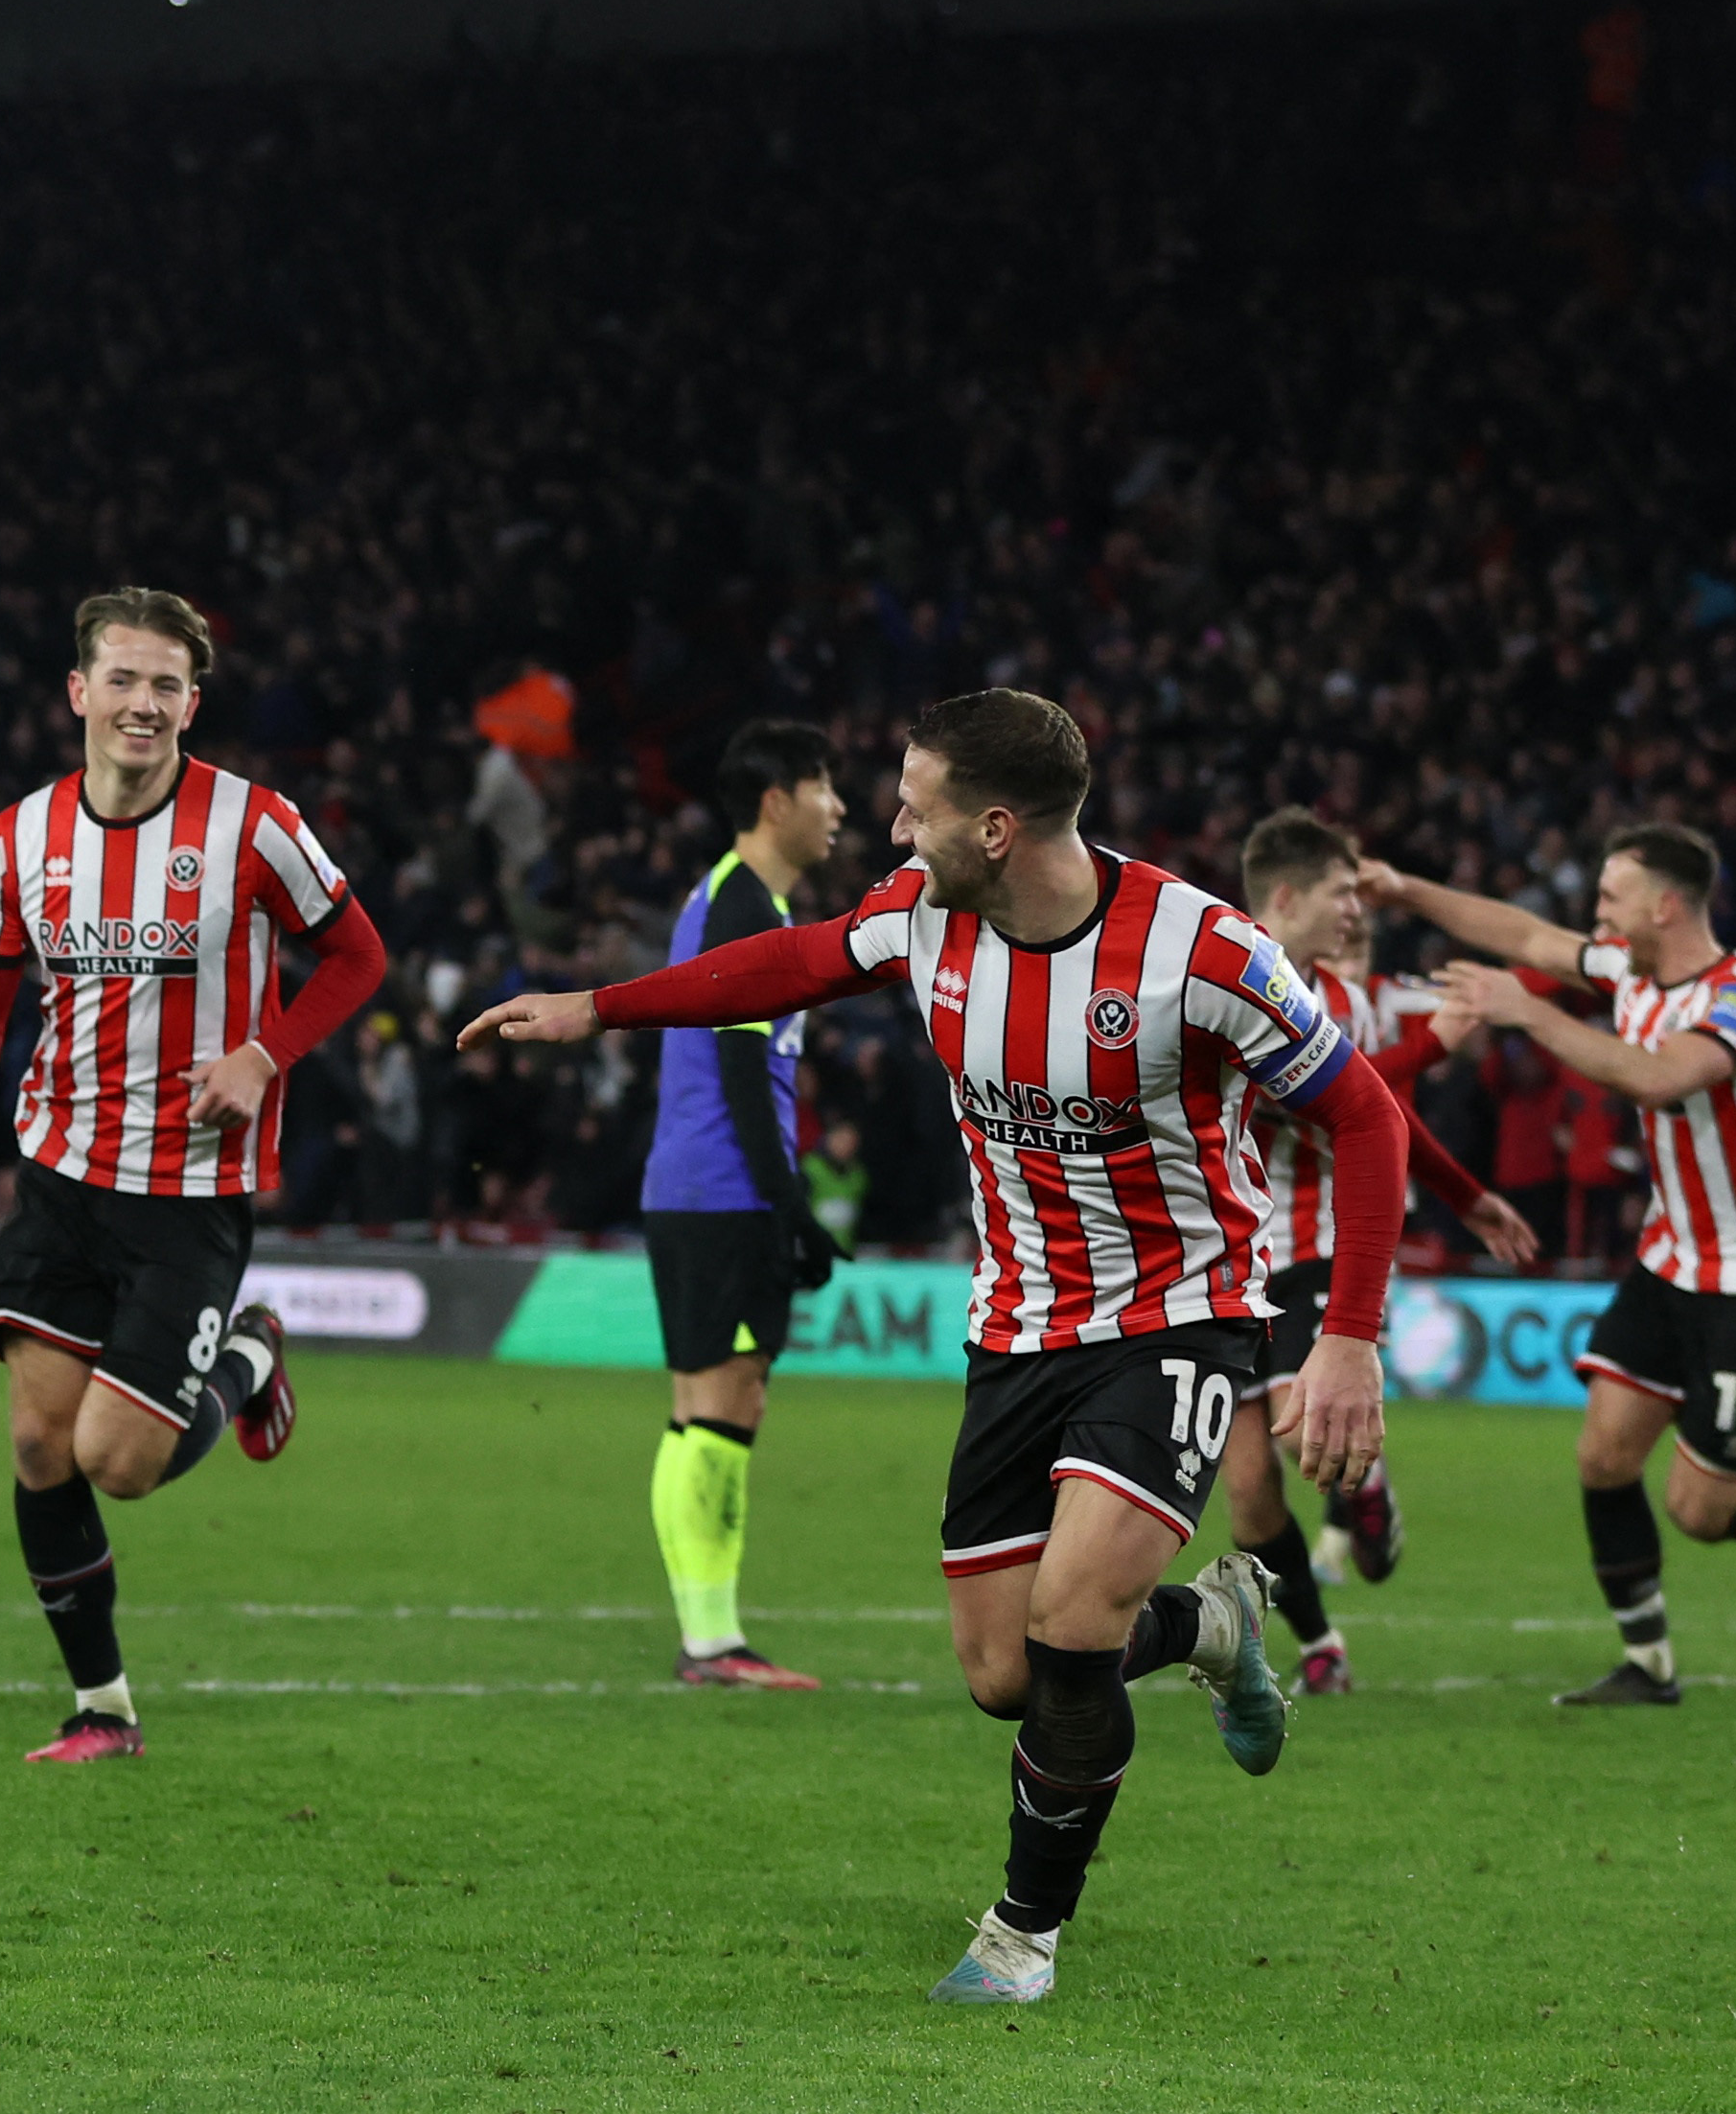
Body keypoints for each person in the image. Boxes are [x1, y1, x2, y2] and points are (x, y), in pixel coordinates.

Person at [465, 690, 1410, 2006]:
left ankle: (1023, 1934)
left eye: (917, 805)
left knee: (1075, 1623)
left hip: (1177, 1315)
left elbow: (1367, 1124)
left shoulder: (1204, 953)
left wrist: (1351, 1336)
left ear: (1000, 826)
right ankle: (1212, 1621)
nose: (895, 825)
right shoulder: (921, 911)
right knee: (1003, 1672)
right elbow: (787, 964)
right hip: (1016, 1325)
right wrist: (597, 1007)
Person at [0, 588, 386, 1764]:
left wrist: (265, 1054)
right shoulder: (17, 838)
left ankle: (248, 1354)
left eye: (165, 684)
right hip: (59, 1171)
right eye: (121, 678)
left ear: (191, 702)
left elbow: (358, 955)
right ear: (79, 691)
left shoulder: (254, 827)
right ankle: (100, 1707)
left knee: (119, 1463)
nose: (142, 702)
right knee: (35, 1447)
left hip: (187, 1191)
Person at [1368, 824, 1736, 1707]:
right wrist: (1404, 890)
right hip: (1668, 1260)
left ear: (1667, 903)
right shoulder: (1629, 971)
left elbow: (1656, 1077)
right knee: (1605, 1457)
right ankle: (1648, 1664)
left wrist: (1529, 1011)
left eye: (1613, 896)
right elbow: (1527, 937)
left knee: (1702, 1511)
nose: (1597, 913)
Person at [1224, 810, 1540, 1691]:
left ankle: (1364, 1492)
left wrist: (1466, 1195)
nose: (1357, 912)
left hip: (1314, 1245)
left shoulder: (1347, 998)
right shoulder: (1228, 977)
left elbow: (1373, 1108)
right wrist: (1432, 1044)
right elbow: (1297, 1090)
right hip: (1221, 1261)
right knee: (1247, 1490)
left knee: (1299, 1430)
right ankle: (1321, 1644)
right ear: (1288, 896)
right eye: (1342, 894)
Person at [634, 718, 850, 1693]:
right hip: (724, 1192)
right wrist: (789, 1205)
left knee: (699, 1408)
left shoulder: (724, 897)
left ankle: (705, 1634)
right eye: (824, 788)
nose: (839, 808)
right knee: (724, 1402)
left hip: (694, 1187)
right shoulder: (745, 911)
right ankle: (712, 1642)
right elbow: (735, 1062)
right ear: (777, 800)